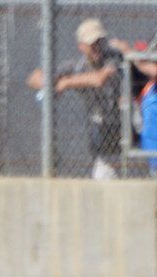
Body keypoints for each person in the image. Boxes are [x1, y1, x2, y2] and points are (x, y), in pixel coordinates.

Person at [28, 18, 127, 178]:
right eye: (91, 43)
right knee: (104, 176)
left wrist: (66, 82)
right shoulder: (78, 66)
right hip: (104, 137)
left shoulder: (114, 57)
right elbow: (33, 78)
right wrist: (51, 84)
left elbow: (99, 79)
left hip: (129, 129)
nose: (97, 47)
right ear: (81, 46)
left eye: (99, 41)